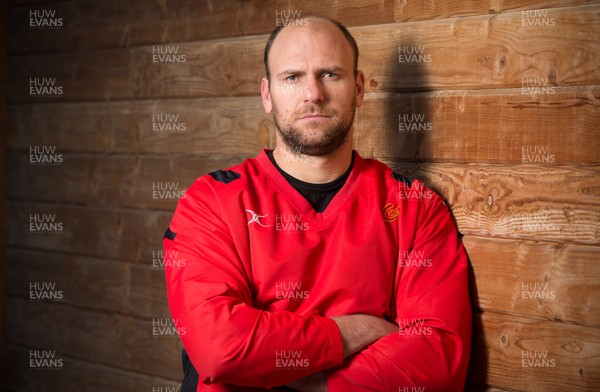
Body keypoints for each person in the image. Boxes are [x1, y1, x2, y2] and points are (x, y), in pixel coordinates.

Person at [164, 15, 471, 392]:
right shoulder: (211, 201)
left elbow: (438, 362)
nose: (313, 94)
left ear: (358, 88)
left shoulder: (415, 207)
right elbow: (221, 348)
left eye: (330, 74)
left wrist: (304, 377)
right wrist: (351, 331)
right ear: (267, 94)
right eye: (292, 77)